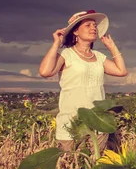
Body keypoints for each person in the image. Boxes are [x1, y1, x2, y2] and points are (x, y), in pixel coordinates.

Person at [38, 10, 127, 152]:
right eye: (88, 25)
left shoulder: (99, 57)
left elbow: (121, 71)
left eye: (94, 25)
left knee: (94, 167)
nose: (93, 28)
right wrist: (56, 44)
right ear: (75, 32)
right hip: (72, 124)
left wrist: (112, 47)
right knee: (71, 168)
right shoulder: (67, 55)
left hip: (97, 123)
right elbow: (45, 71)